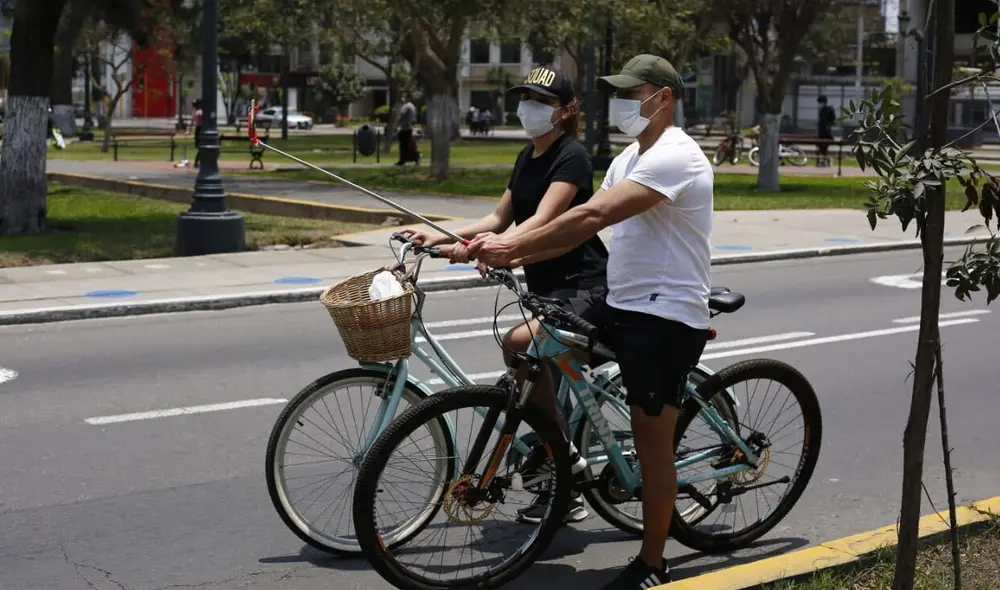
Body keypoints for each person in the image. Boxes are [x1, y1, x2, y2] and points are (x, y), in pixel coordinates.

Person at [468, 54, 714, 589]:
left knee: (654, 445)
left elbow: (592, 216)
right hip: (620, 304)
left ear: (664, 98)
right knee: (536, 349)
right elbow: (575, 229)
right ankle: (569, 465)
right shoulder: (629, 156)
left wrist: (511, 245)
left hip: (664, 315)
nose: (623, 101)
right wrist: (502, 245)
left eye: (634, 92)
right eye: (619, 92)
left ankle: (652, 562)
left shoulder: (677, 155)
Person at [402, 66, 609, 525]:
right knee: (529, 378)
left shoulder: (571, 156)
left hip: (583, 286)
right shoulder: (527, 157)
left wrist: (495, 250)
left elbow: (542, 224)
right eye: (524, 98)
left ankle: (563, 465)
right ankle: (557, 465)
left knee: (519, 346)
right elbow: (499, 218)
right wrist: (438, 237)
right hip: (544, 289)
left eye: (540, 100)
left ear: (566, 110)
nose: (528, 108)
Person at [395, 93, 421, 166]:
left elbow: (401, 116)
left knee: (403, 145)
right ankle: (415, 157)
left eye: (404, 96)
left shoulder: (406, 106)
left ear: (408, 97)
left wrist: (397, 124)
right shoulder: (413, 106)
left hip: (404, 128)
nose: (403, 98)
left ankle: (402, 160)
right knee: (409, 145)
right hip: (410, 128)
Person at [817, 95, 836, 167]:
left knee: (824, 147)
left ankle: (826, 160)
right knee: (822, 147)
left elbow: (833, 120)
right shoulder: (821, 110)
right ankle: (826, 160)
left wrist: (828, 126)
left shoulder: (829, 109)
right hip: (821, 131)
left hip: (826, 132)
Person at [191, 99, 203, 168]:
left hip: (197, 130)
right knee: (201, 148)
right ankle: (197, 163)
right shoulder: (200, 112)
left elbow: (192, 122)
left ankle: (198, 162)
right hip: (200, 129)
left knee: (200, 147)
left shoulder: (194, 112)